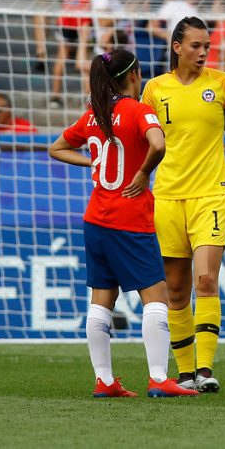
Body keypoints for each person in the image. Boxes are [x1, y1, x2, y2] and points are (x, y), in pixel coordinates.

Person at [48, 49, 198, 398]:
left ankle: (104, 381)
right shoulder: (138, 109)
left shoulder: (93, 115)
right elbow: (158, 144)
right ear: (133, 76)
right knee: (156, 296)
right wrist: (144, 172)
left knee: (102, 299)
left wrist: (93, 165)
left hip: (95, 219)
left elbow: (56, 148)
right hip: (129, 217)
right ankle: (159, 378)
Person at [141, 16, 225, 393]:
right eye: (195, 45)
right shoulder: (153, 90)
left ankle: (206, 369)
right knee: (175, 290)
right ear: (177, 47)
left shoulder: (224, 85)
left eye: (207, 45)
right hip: (167, 196)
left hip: (212, 193)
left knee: (206, 279)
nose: (203, 52)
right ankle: (186, 371)